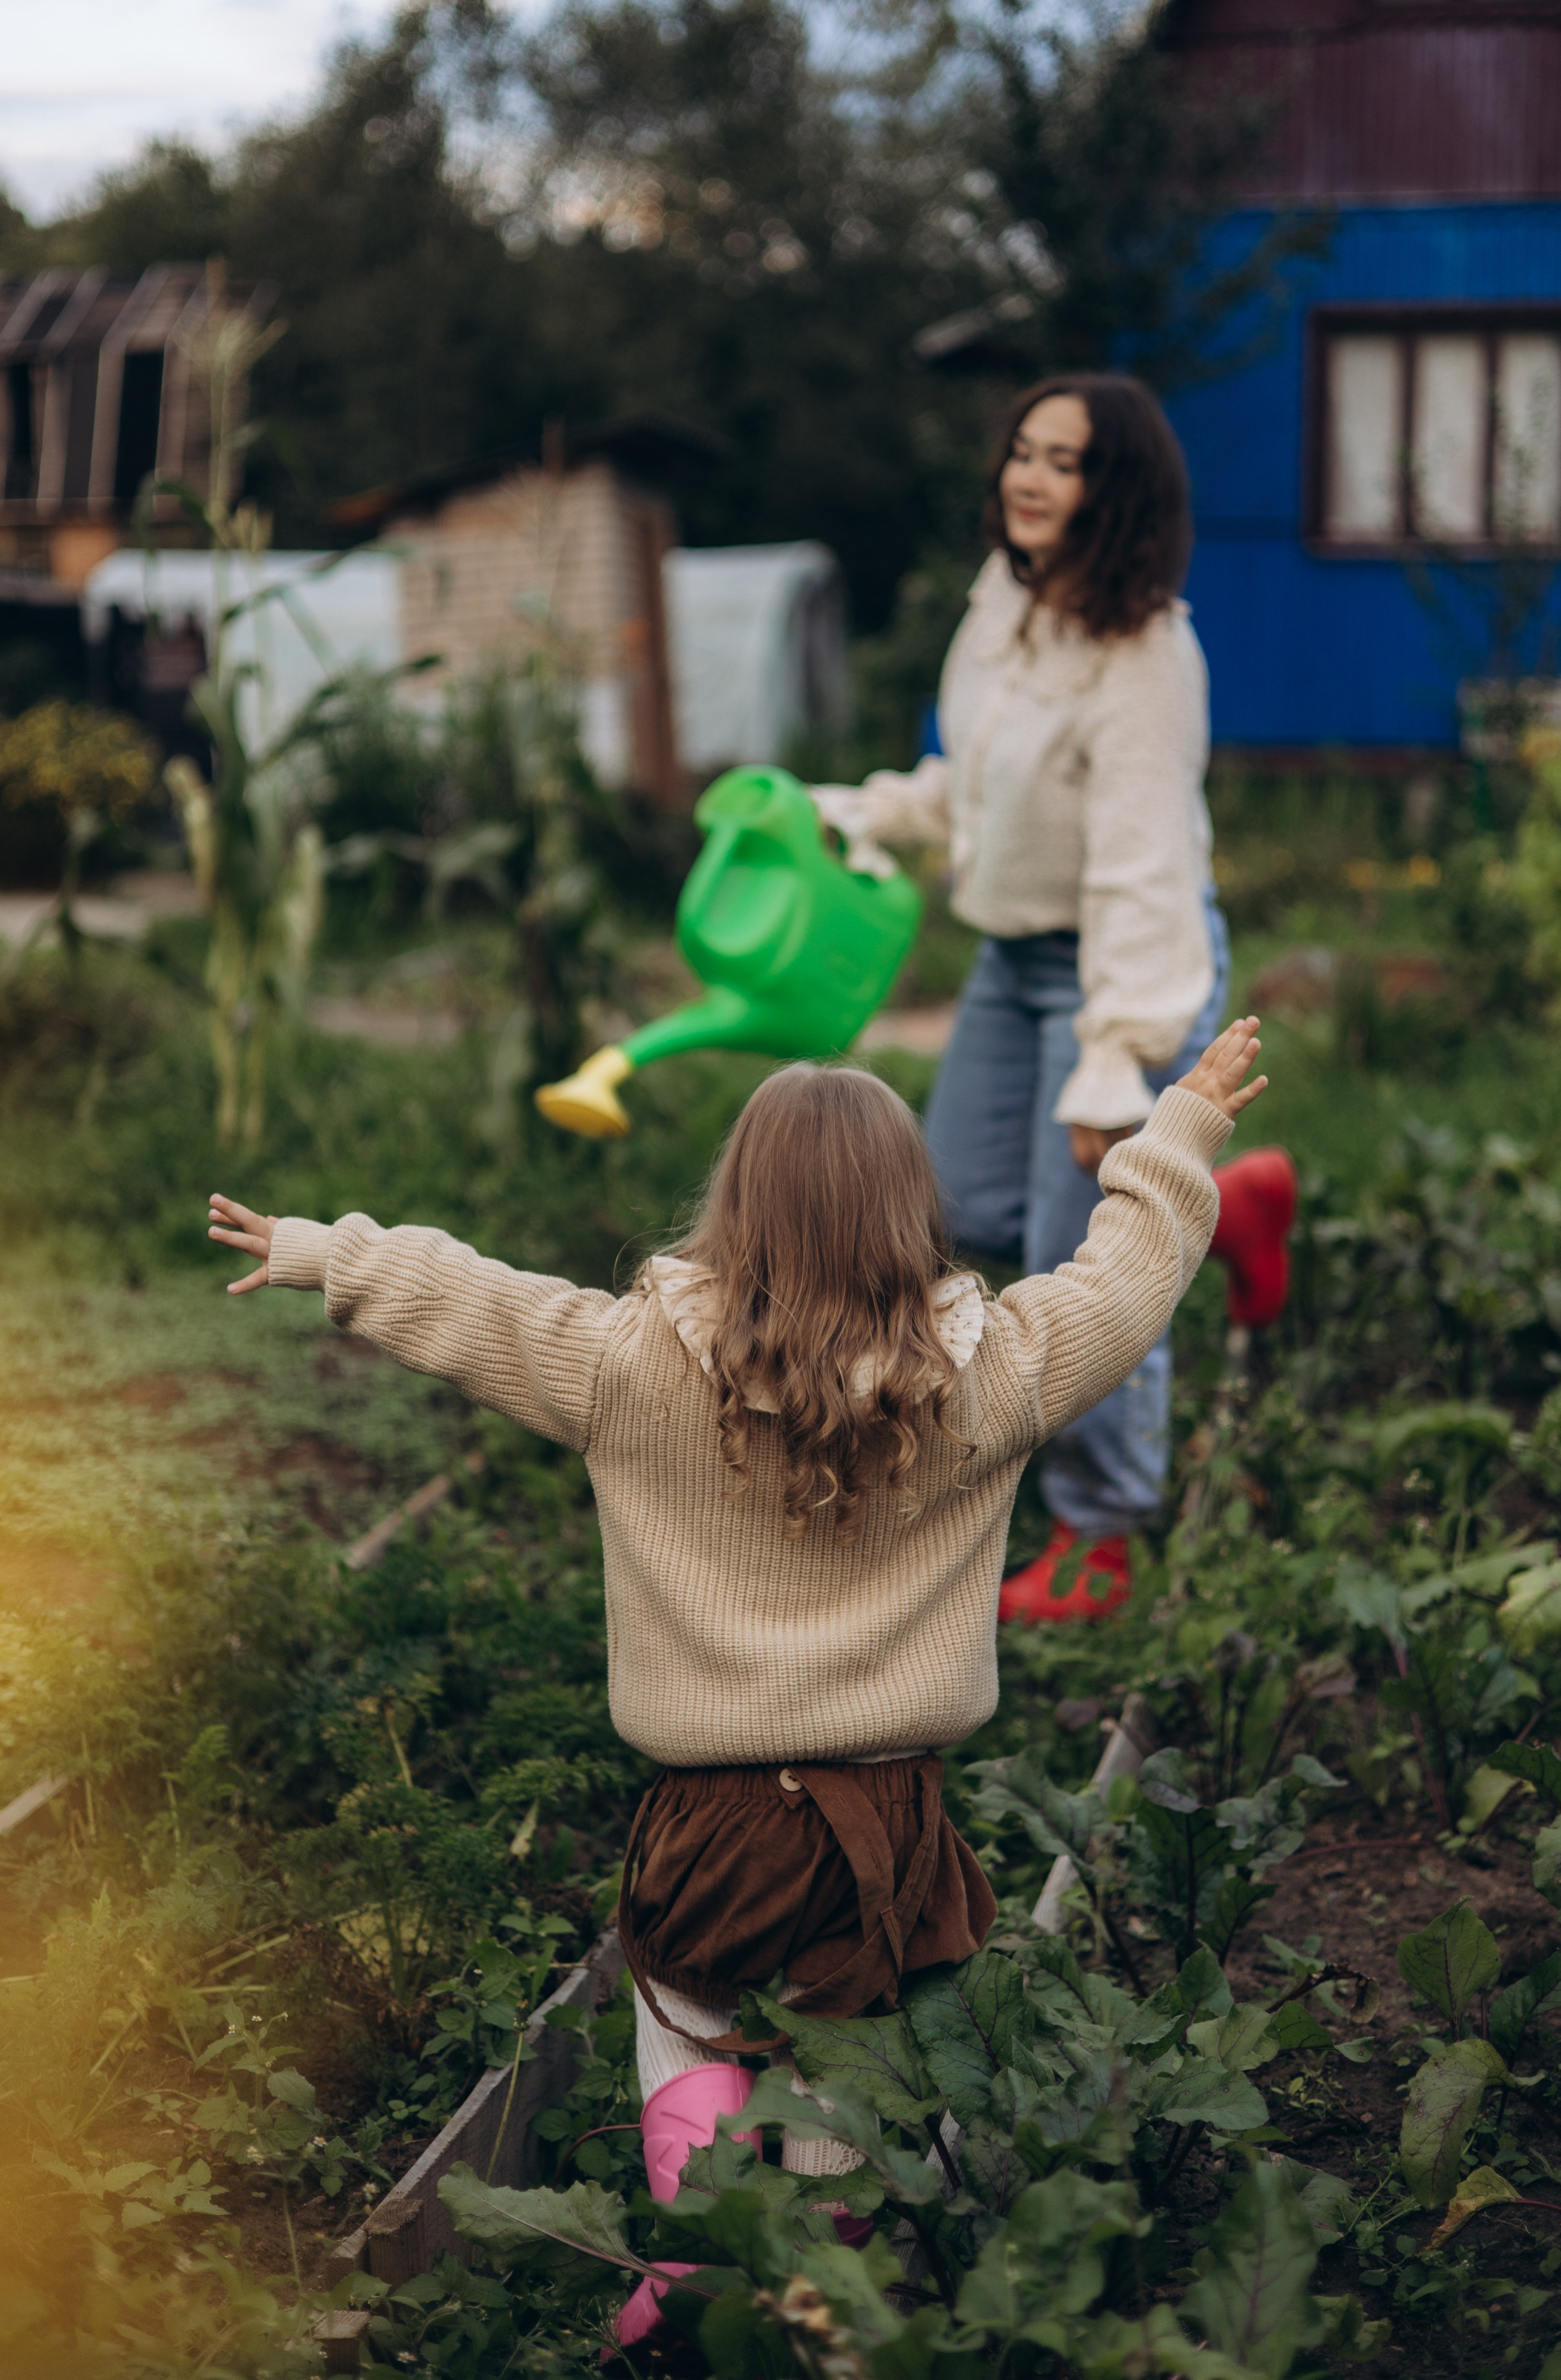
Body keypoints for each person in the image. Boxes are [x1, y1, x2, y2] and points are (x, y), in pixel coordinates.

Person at [206, 1022, 1265, 2345]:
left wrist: (323, 1252)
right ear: (908, 1211)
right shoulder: (993, 1370)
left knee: (686, 2012)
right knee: (850, 2036)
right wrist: (1175, 1135)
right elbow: (1128, 1275)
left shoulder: (623, 1361)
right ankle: (823, 2282)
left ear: (734, 1205)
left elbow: (470, 1302)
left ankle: (698, 2253)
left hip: (708, 1817)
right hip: (883, 1822)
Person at [814, 374, 1229, 1624]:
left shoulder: (1144, 656)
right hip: (1011, 961)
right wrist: (877, 810)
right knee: (950, 1205)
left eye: (1067, 463)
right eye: (1023, 453)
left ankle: (1100, 1540)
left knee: (1086, 1260)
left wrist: (1116, 1064)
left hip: (1117, 968)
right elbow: (975, 777)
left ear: (1120, 495)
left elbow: (1144, 872)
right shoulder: (1006, 600)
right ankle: (1232, 1206)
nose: (1030, 478)